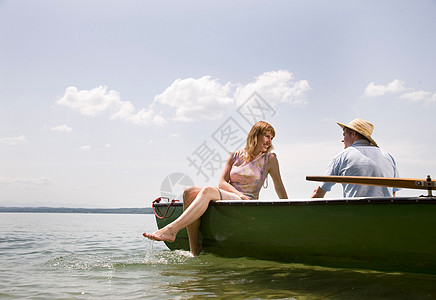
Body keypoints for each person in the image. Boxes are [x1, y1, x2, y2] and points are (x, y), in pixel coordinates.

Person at [143, 121, 288, 256]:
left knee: (206, 191)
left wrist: (288, 207)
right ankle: (195, 250)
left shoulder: (270, 159)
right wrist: (238, 194)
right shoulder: (235, 155)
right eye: (267, 136)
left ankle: (171, 230)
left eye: (272, 138)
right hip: (233, 196)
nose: (269, 141)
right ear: (255, 135)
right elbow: (222, 183)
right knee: (189, 192)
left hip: (247, 202)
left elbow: (279, 187)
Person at [311, 118, 399, 198]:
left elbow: (318, 193)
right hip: (385, 213)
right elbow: (393, 193)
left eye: (344, 135)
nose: (342, 140)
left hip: (355, 213)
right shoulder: (388, 157)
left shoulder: (342, 157)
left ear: (353, 134)